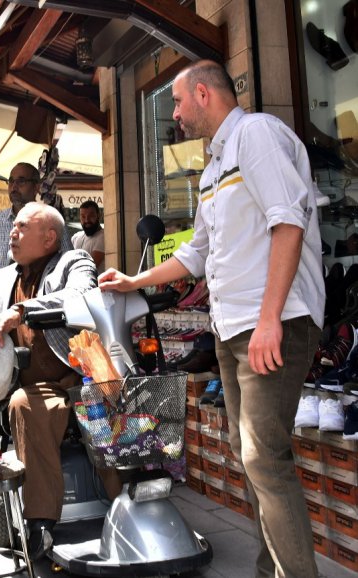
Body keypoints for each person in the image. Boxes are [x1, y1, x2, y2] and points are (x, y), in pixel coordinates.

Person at [99, 60, 325, 578]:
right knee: (251, 457)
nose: (174, 113)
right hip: (232, 328)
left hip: (274, 322)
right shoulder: (213, 167)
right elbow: (197, 254)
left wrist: (269, 320)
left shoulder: (257, 135)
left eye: (177, 102)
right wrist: (134, 283)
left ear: (203, 94)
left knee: (263, 457)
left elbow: (288, 222)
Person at [0, 203, 120, 559]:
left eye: (21, 227)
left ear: (49, 237)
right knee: (22, 404)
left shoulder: (74, 261)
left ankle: (128, 505)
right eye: (13, 228)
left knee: (110, 414)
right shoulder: (4, 277)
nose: (12, 233)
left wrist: (20, 312)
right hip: (39, 387)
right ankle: (42, 524)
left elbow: (79, 294)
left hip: (83, 373)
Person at [0, 162, 73, 301]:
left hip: (41, 305)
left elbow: (68, 261)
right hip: (1, 304)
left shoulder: (51, 220)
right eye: (11, 181)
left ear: (36, 187)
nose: (14, 187)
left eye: (21, 181)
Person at [71, 200, 105, 274]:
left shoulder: (103, 237)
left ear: (99, 215)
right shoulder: (76, 237)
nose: (86, 220)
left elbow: (89, 266)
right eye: (83, 216)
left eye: (91, 216)